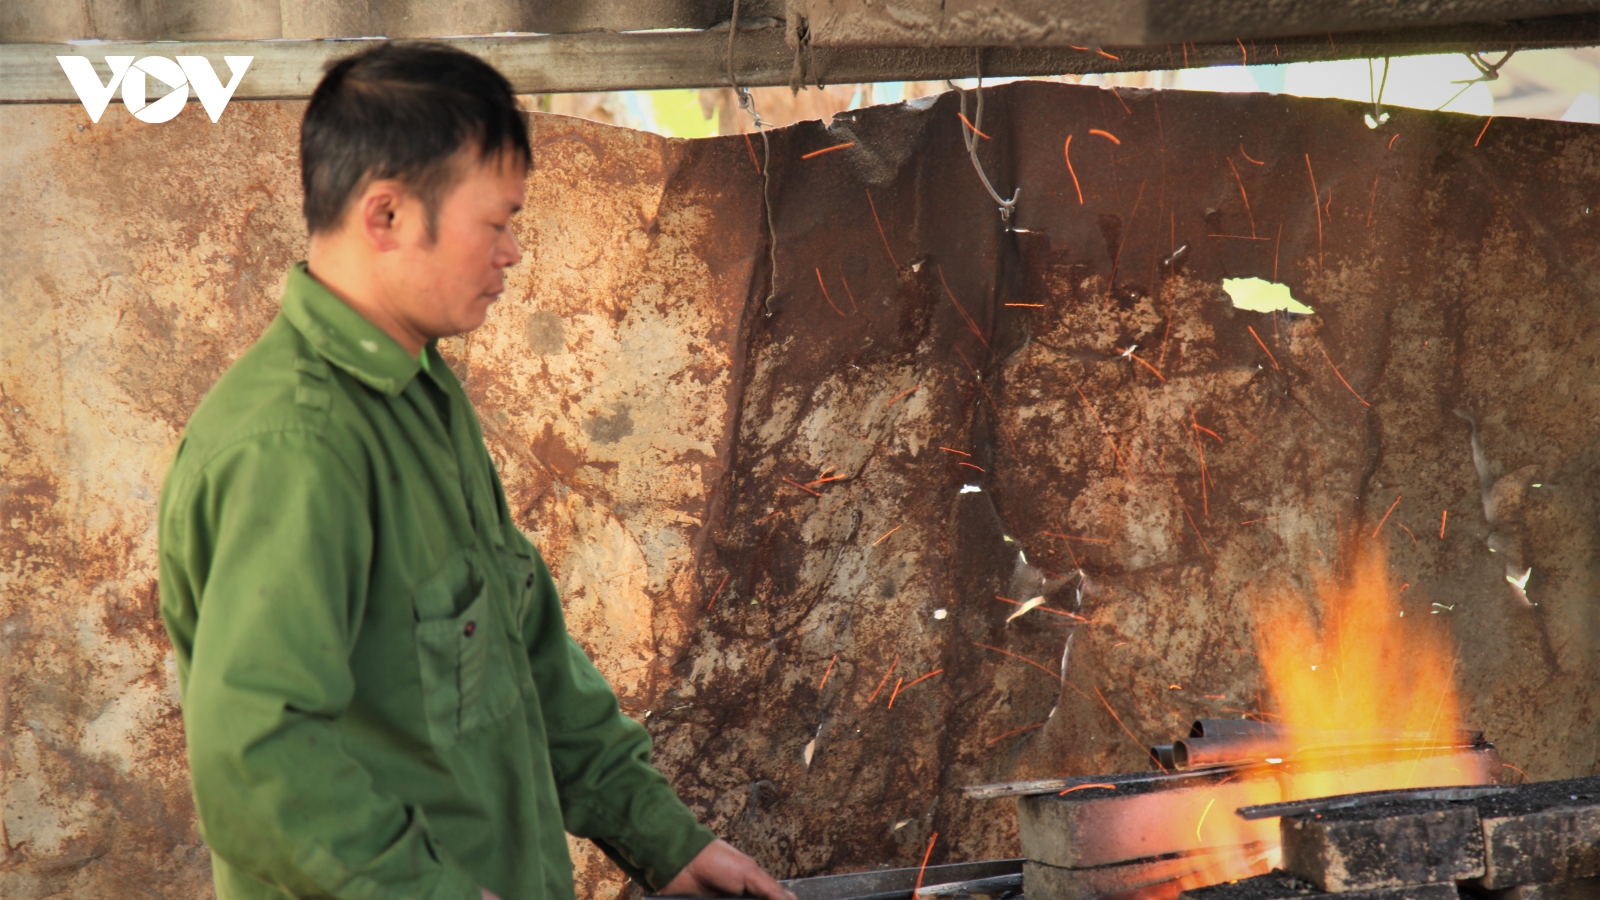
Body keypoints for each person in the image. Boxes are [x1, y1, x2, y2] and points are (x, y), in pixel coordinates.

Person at [157, 41, 794, 900]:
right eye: (495, 224)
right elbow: (261, 758)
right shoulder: (293, 446)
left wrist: (660, 837)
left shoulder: (420, 393)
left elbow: (517, 643)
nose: (514, 253)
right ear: (385, 216)